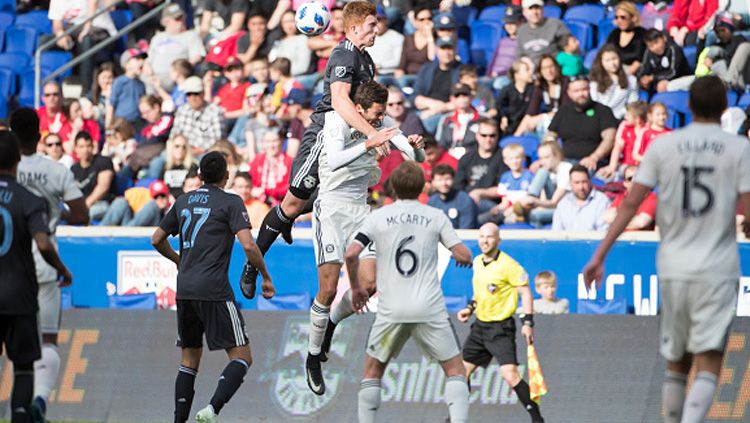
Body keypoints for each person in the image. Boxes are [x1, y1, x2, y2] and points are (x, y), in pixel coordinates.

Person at [584, 75, 750, 423]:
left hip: (675, 264)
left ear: (688, 106)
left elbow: (630, 204)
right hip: (718, 266)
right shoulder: (739, 149)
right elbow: (748, 210)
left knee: (677, 361)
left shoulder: (664, 147)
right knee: (709, 357)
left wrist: (600, 254)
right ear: (724, 108)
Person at [246, 1, 397, 284]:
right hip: (325, 135)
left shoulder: (366, 61)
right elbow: (339, 101)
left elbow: (369, 109)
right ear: (354, 27)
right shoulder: (343, 55)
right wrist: (371, 136)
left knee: (336, 191)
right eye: (371, 25)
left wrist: (399, 138)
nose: (377, 30)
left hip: (349, 136)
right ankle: (253, 265)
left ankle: (289, 219)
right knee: (290, 204)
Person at [302, 81, 425, 396]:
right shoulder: (335, 121)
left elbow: (416, 157)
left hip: (360, 206)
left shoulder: (381, 122)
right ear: (359, 109)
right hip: (330, 206)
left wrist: (416, 145)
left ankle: (330, 324)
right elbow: (336, 157)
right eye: (376, 114)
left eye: (382, 115)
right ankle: (313, 356)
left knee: (369, 286)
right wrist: (371, 142)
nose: (380, 119)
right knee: (328, 289)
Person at [343, 161, 473, 423]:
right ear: (423, 186)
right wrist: (464, 257)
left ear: (392, 188)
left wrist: (357, 288)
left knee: (372, 371)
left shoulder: (377, 217)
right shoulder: (435, 216)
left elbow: (351, 253)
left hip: (392, 308)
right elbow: (463, 253)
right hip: (429, 308)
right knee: (455, 370)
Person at [151, 152, 275, 423]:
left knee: (189, 359)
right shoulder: (230, 202)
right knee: (242, 356)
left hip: (184, 289)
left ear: (199, 176)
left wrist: (178, 260)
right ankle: (212, 409)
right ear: (226, 175)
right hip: (214, 288)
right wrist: (265, 275)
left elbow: (157, 238)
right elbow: (249, 245)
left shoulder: (183, 201)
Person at [10, 109, 88, 422]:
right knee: (47, 338)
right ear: (40, 134)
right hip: (44, 259)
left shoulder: (6, 170)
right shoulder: (56, 171)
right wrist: (56, 213)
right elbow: (82, 214)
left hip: (9, 256)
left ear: (11, 134)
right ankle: (39, 399)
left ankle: (18, 405)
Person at [0, 130, 73, 423]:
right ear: (18, 160)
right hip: (20, 293)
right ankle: (21, 415)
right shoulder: (28, 199)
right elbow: (42, 243)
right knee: (23, 366)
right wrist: (61, 268)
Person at [456, 222, 544, 423]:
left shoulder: (509, 266)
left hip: (500, 328)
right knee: (461, 374)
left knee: (510, 375)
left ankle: (537, 419)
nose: (485, 241)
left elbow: (525, 292)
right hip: (480, 327)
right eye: (481, 237)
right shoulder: (477, 262)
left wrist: (528, 322)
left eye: (489, 237)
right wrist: (469, 308)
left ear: (498, 240)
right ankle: (456, 419)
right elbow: (480, 293)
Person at [546, 76, 618, 170]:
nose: (581, 94)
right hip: (565, 162)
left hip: (593, 163)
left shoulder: (603, 111)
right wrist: (548, 156)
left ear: (589, 90)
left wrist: (594, 157)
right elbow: (550, 136)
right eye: (576, 91)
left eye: (584, 89)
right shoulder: (563, 111)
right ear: (569, 93)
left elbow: (609, 139)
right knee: (543, 172)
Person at [455, 118, 508, 218]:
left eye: (492, 135)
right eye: (484, 135)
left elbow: (505, 188)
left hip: (493, 206)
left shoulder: (504, 157)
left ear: (498, 137)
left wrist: (479, 193)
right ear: (477, 136)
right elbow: (458, 187)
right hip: (467, 202)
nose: (488, 139)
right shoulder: (466, 158)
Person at [147, 4, 206, 91]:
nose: (181, 21)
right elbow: (148, 60)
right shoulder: (157, 38)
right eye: (177, 19)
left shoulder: (190, 35)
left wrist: (179, 70)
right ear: (166, 22)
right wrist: (148, 69)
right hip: (154, 78)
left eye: (182, 18)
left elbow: (197, 57)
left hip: (176, 78)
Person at [519, 140, 573, 227]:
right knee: (542, 171)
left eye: (547, 157)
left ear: (558, 156)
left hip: (565, 210)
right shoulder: (547, 171)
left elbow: (554, 203)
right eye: (540, 158)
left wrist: (535, 202)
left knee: (534, 215)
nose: (542, 162)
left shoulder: (565, 168)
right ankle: (530, 198)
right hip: (551, 207)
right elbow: (544, 200)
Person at [413, 36, 462, 129]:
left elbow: (464, 99)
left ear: (455, 50)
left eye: (449, 49)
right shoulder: (427, 69)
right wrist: (431, 104)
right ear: (437, 50)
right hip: (425, 109)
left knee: (427, 123)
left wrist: (436, 110)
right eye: (443, 49)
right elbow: (416, 96)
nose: (446, 53)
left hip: (448, 112)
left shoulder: (461, 71)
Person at [170, 76, 226, 156]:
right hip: (180, 151)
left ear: (203, 93)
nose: (192, 98)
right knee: (158, 161)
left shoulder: (215, 111)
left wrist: (198, 151)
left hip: (203, 153)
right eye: (189, 94)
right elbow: (174, 134)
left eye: (196, 94)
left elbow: (217, 140)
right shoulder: (182, 110)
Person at [71, 132, 116, 220]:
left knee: (91, 213)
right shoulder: (73, 169)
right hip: (82, 206)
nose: (86, 150)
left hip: (102, 203)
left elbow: (103, 188)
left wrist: (84, 207)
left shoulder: (103, 161)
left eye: (88, 146)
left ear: (93, 147)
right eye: (81, 147)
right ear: (75, 149)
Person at [552, 164, 611, 231]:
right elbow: (556, 233)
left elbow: (603, 232)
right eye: (577, 183)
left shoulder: (602, 201)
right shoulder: (563, 204)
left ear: (590, 181)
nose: (581, 187)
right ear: (570, 183)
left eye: (584, 182)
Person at [589, 44, 640, 120]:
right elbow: (595, 102)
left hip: (621, 118)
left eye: (614, 59)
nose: (612, 63)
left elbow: (633, 103)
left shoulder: (631, 80)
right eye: (607, 60)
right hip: (600, 119)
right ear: (601, 62)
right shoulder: (595, 82)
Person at [601, 100, 648, 180]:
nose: (625, 117)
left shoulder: (648, 129)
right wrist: (612, 166)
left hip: (644, 166)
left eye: (628, 115)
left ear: (638, 120)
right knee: (603, 176)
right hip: (626, 164)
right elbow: (618, 147)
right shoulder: (624, 126)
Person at [602, 165, 658, 231]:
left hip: (641, 239)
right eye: (630, 179)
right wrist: (632, 221)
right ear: (625, 183)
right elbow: (607, 217)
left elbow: (641, 223)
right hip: (621, 239)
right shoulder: (620, 198)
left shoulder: (653, 198)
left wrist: (617, 221)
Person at [638, 29, 691, 93]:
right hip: (659, 79)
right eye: (651, 46)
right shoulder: (648, 52)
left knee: (662, 86)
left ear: (664, 38)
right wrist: (642, 79)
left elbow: (673, 72)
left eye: (656, 42)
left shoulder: (674, 49)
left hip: (679, 79)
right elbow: (644, 68)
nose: (655, 47)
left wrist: (652, 78)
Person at [101, 179, 172, 227]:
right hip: (131, 233)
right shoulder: (152, 207)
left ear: (168, 196)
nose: (160, 199)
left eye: (162, 195)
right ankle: (99, 234)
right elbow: (132, 226)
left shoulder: (171, 209)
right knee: (120, 203)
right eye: (156, 197)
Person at [427, 163, 478, 229]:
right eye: (440, 180)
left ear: (454, 179)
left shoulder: (465, 200)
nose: (444, 183)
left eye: (447, 179)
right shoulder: (432, 202)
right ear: (433, 182)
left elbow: (466, 230)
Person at [107, 49, 148, 130]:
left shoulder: (141, 84)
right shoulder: (119, 81)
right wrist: (108, 125)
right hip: (122, 122)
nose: (142, 62)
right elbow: (111, 104)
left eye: (142, 59)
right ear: (127, 64)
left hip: (138, 123)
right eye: (137, 59)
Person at [435, 83, 481, 154]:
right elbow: (440, 143)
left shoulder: (482, 118)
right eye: (457, 96)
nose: (461, 98)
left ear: (471, 97)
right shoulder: (446, 119)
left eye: (465, 95)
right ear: (452, 99)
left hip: (473, 156)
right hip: (449, 156)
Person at [605, 1, 647, 75]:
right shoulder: (614, 34)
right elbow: (607, 53)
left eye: (623, 17)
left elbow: (640, 61)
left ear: (633, 17)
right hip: (613, 71)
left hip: (634, 74)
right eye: (616, 17)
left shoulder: (642, 34)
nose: (619, 21)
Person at [497, 59, 534, 137]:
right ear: (517, 74)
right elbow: (500, 105)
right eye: (526, 70)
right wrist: (503, 117)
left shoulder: (533, 89)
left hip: (528, 126)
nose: (530, 73)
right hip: (510, 126)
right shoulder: (507, 90)